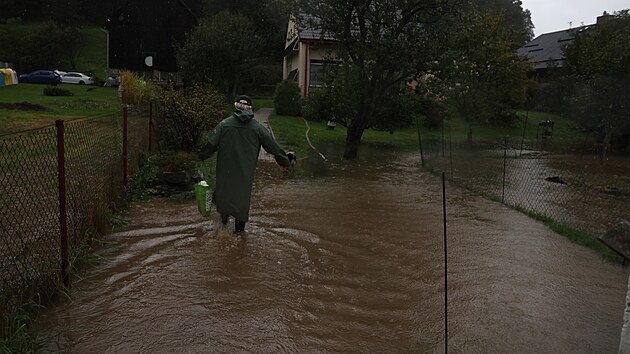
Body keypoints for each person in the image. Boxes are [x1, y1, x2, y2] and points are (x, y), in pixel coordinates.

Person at [199, 95, 291, 233]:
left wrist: (198, 158)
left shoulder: (224, 125)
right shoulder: (258, 129)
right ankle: (239, 239)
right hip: (244, 177)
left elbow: (210, 144)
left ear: (236, 107)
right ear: (250, 108)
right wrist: (284, 161)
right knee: (241, 206)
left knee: (224, 202)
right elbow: (273, 146)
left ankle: (223, 233)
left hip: (225, 174)